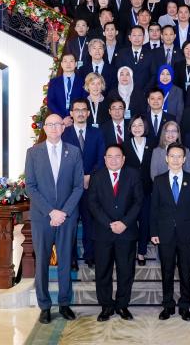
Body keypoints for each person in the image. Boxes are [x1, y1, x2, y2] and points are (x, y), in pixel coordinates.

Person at [25, 113, 84, 324]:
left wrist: (64, 212)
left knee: (65, 261)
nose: (53, 128)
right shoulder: (33, 153)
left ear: (63, 128)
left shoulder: (74, 152)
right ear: (44, 128)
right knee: (42, 261)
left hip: (67, 217)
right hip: (43, 217)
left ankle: (65, 303)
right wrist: (51, 212)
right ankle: (44, 305)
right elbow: (30, 186)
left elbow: (78, 186)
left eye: (57, 124)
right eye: (49, 124)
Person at [89, 144, 144, 322]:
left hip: (126, 232)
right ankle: (106, 306)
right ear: (104, 159)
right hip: (103, 232)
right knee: (103, 271)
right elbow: (93, 204)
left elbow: (138, 202)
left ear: (123, 159)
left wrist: (125, 223)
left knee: (125, 271)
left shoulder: (133, 175)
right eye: (109, 157)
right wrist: (109, 223)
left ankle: (122, 306)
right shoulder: (97, 176)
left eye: (117, 156)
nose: (113, 160)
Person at [150, 142, 190, 321]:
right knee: (166, 271)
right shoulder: (159, 180)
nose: (175, 159)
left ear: (184, 159)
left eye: (179, 156)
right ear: (166, 158)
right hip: (165, 234)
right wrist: (154, 231)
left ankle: (184, 306)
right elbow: (154, 209)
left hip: (187, 233)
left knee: (185, 271)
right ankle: (168, 305)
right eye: (172, 156)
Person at [62, 99, 106, 269]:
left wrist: (89, 176)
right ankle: (72, 258)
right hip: (70, 187)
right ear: (71, 113)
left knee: (90, 222)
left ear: (88, 113)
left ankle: (90, 255)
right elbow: (62, 161)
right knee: (71, 223)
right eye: (77, 110)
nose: (80, 113)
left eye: (83, 110)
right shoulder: (64, 134)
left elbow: (101, 158)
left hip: (91, 185)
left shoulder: (97, 133)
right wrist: (77, 178)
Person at [121, 116, 153, 266]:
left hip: (148, 189)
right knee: (131, 221)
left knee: (145, 221)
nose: (137, 128)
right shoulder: (125, 145)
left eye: (140, 125)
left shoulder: (152, 143)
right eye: (134, 125)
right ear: (130, 128)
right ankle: (129, 251)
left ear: (145, 127)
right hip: (130, 191)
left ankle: (141, 252)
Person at [47, 54, 86, 121]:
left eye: (71, 61)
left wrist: (73, 117)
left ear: (76, 64)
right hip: (59, 120)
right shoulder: (53, 82)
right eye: (65, 61)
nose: (68, 64)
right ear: (61, 64)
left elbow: (84, 100)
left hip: (77, 119)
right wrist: (62, 118)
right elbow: (50, 102)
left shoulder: (82, 81)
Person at [115, 26, 153, 90]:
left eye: (140, 35)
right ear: (129, 37)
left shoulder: (150, 54)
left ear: (144, 37)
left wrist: (146, 90)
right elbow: (118, 72)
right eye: (134, 35)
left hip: (145, 92)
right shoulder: (122, 53)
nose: (137, 38)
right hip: (125, 91)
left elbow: (153, 75)